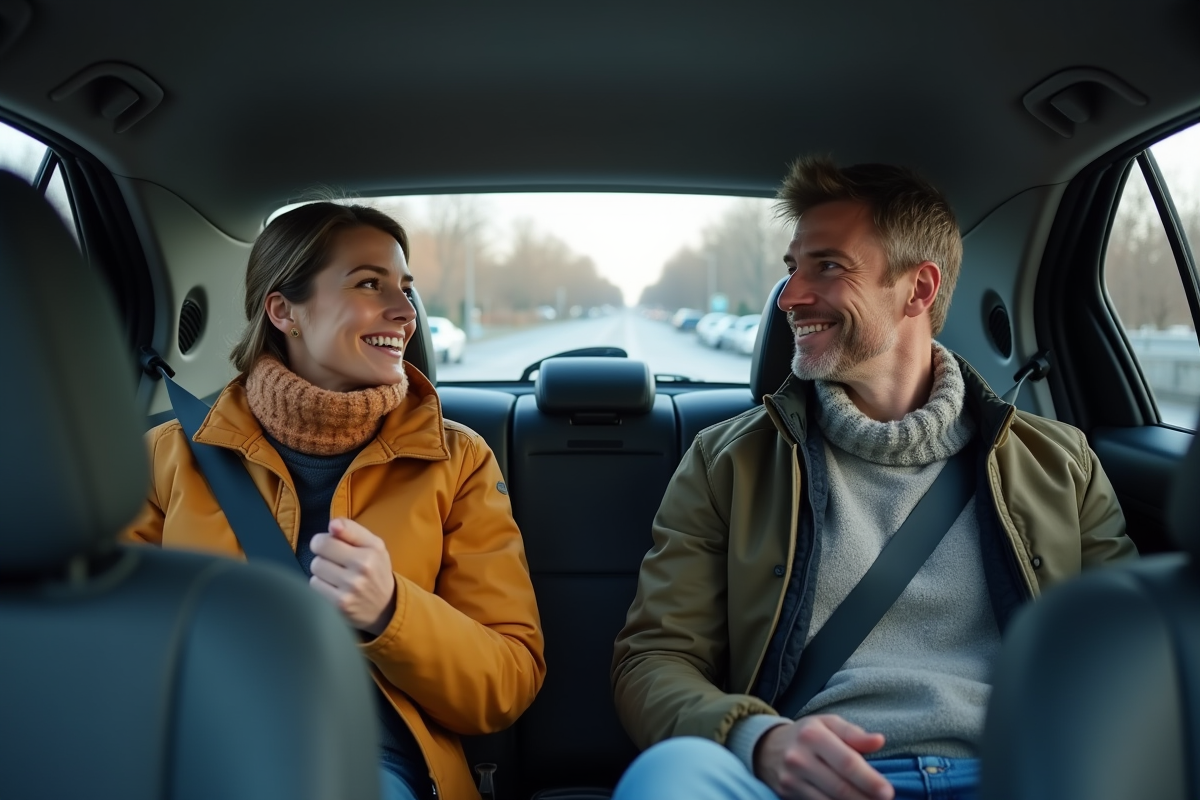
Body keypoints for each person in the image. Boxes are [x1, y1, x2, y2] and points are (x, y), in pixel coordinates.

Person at [610, 158, 1136, 800]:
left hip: (1021, 771)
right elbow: (652, 661)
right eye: (792, 268)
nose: (790, 296)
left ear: (917, 290)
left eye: (827, 266)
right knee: (669, 778)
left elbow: (1132, 650)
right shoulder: (728, 462)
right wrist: (759, 740)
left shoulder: (1062, 464)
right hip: (804, 782)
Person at [124, 202, 546, 800]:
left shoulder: (458, 462)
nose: (405, 313)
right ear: (283, 311)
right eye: (370, 284)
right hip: (200, 760)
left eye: (405, 288)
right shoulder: (166, 458)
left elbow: (507, 684)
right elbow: (108, 654)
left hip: (374, 769)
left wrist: (392, 611)